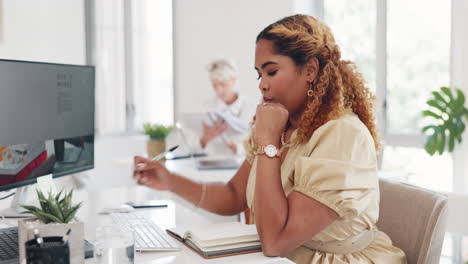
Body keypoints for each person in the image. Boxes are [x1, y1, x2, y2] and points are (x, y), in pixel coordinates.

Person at [133, 14, 407, 264]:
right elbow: (234, 196)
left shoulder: (342, 134)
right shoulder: (280, 127)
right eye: (259, 73)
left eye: (271, 71)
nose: (262, 84)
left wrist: (268, 144)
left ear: (310, 70)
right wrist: (169, 180)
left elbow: (275, 241)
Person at [187, 58, 256, 156]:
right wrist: (205, 138)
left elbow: (259, 146)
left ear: (234, 80)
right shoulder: (205, 108)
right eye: (214, 86)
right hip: (210, 165)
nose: (218, 90)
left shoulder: (252, 107)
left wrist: (238, 148)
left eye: (223, 84)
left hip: (241, 166)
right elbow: (192, 149)